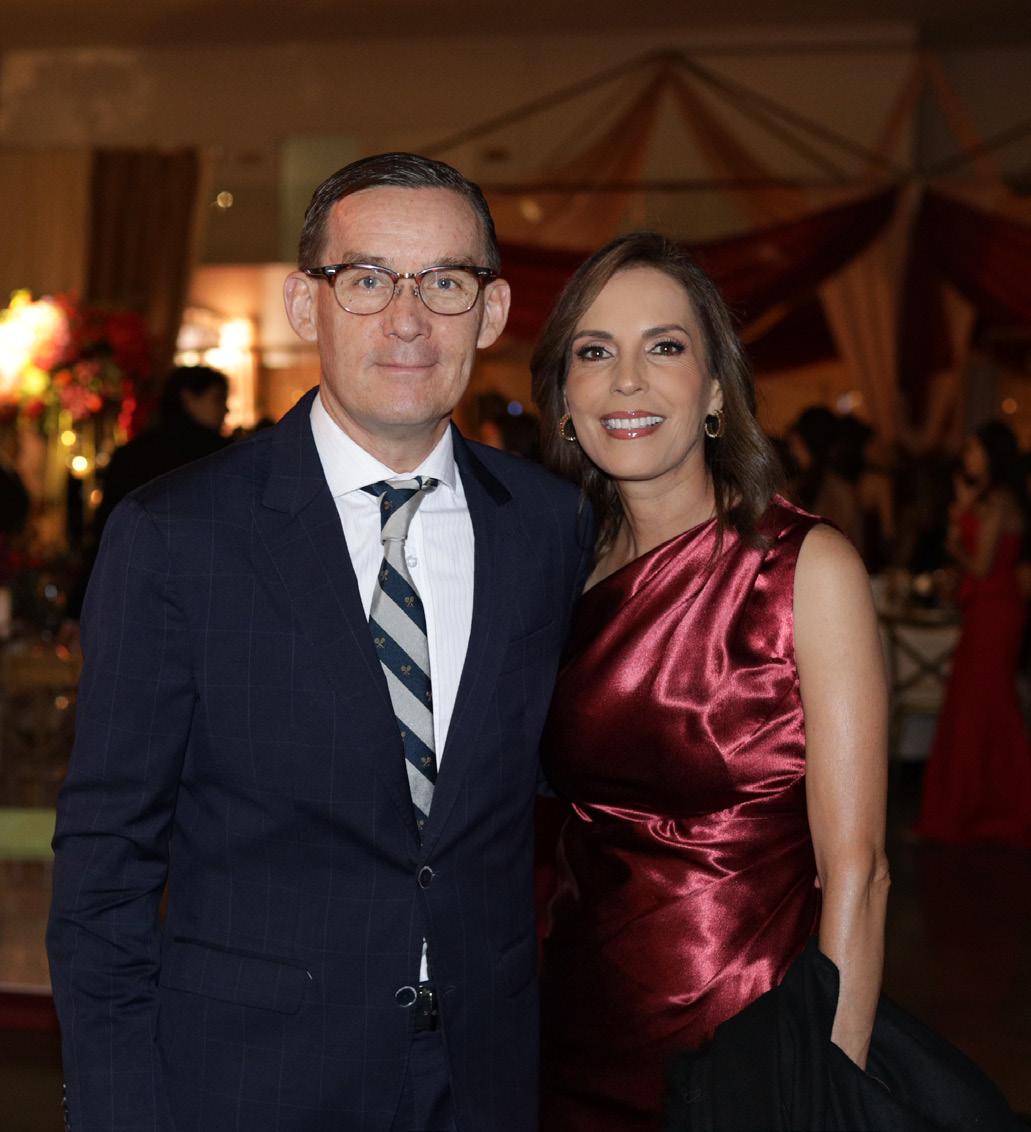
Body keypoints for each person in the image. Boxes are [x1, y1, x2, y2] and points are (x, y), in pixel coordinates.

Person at [47, 153, 590, 1132]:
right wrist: (117, 1103)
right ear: (307, 304)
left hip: (487, 1074)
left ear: (493, 310)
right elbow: (105, 858)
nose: (408, 319)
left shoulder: (546, 527)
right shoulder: (178, 535)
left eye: (445, 282)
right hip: (250, 1079)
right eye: (368, 279)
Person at [530, 232, 890, 1130]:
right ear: (564, 400)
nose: (626, 381)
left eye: (663, 347)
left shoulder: (803, 569)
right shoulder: (551, 571)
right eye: (593, 352)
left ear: (717, 390)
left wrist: (824, 1091)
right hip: (570, 1032)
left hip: (750, 1049)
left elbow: (857, 871)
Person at [915, 420, 1031, 847]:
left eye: (974, 449)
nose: (967, 456)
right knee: (977, 706)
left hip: (996, 611)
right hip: (987, 610)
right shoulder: (991, 499)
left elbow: (980, 566)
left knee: (984, 707)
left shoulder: (999, 501)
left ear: (991, 455)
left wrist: (953, 541)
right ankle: (976, 808)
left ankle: (994, 809)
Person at [63, 364, 232, 623]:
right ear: (188, 398)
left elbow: (107, 536)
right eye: (217, 399)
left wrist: (79, 609)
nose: (225, 410)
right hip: (208, 595)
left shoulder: (134, 454)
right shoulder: (221, 458)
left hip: (142, 594)